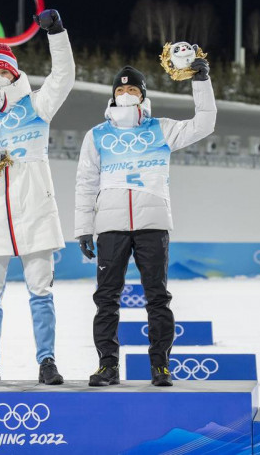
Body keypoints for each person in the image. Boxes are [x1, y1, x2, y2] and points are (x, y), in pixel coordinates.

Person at [74, 59, 216, 387]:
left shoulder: (161, 128)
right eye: (120, 89)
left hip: (152, 222)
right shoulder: (96, 135)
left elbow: (204, 123)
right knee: (106, 298)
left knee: (157, 296)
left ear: (142, 95)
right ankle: (107, 366)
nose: (125, 93)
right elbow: (85, 182)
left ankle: (160, 365)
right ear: (112, 95)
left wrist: (201, 82)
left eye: (132, 89)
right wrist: (83, 227)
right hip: (110, 225)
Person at [0, 9, 75, 385]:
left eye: (5, 71)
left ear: (16, 74)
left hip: (35, 209)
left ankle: (47, 361)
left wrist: (56, 33)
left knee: (40, 291)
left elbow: (64, 77)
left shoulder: (36, 105)